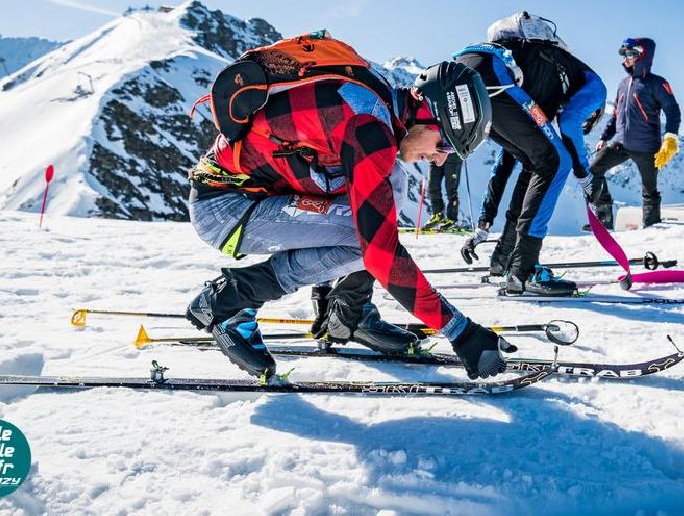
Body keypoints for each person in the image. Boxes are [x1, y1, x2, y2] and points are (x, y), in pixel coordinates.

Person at [184, 30, 515, 379]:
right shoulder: (369, 127)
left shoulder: (380, 100)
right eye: (444, 145)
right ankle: (231, 300)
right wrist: (460, 331)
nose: (439, 159)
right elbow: (380, 252)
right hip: (226, 209)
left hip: (261, 195)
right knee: (365, 239)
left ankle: (348, 314)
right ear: (430, 116)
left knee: (391, 185)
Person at [455, 12, 606, 295]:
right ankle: (524, 270)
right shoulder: (594, 85)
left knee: (534, 161)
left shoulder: (539, 82)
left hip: (466, 78)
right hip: (495, 78)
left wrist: (485, 223)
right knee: (556, 161)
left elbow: (505, 162)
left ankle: (504, 259)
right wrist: (586, 178)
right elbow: (571, 124)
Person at [589, 37, 682, 229]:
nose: (626, 58)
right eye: (624, 54)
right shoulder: (623, 83)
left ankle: (651, 226)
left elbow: (672, 110)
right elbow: (616, 115)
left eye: (631, 54)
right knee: (594, 170)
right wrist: (604, 137)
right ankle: (604, 218)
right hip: (620, 143)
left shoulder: (657, 83)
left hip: (647, 147)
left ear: (643, 56)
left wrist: (670, 137)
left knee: (649, 190)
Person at [423, 151, 463, 230]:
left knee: (451, 190)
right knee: (432, 186)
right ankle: (437, 214)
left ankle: (452, 219)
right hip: (435, 155)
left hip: (453, 157)